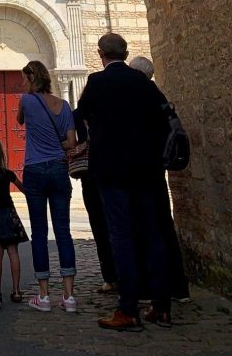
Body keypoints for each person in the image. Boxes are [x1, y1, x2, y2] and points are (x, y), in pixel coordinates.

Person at [77, 33, 171, 331]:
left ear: (101, 53)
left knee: (121, 236)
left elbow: (81, 116)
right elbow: (163, 117)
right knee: (152, 234)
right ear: (126, 52)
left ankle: (129, 309)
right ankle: (161, 306)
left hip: (112, 171)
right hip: (146, 170)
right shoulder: (143, 82)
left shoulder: (97, 82)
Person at [128, 55, 190, 303]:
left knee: (142, 227)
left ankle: (147, 288)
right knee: (164, 224)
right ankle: (178, 286)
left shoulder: (137, 98)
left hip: (139, 170)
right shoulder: (159, 96)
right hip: (157, 170)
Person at [18, 60, 78, 313]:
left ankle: (43, 296)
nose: (22, 83)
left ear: (31, 79)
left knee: (39, 232)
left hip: (35, 170)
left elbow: (20, 121)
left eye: (24, 78)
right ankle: (69, 296)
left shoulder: (26, 100)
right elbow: (72, 142)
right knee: (63, 231)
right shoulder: (64, 105)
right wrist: (57, 147)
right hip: (57, 168)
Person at [73, 108, 117, 294]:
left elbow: (71, 141)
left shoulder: (78, 114)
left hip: (90, 174)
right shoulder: (112, 111)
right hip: (114, 173)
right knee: (118, 226)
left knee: (100, 226)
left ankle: (110, 277)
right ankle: (125, 275)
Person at [0, 137, 28, 303]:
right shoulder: (7, 173)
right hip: (8, 213)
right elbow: (23, 188)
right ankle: (16, 290)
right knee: (13, 251)